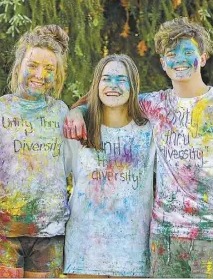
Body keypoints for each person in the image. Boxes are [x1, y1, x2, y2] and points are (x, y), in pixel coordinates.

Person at [63, 17, 213, 277]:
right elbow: (110, 96)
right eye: (171, 54)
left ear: (202, 57)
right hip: (164, 240)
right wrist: (77, 111)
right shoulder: (153, 106)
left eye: (188, 52)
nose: (180, 60)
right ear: (163, 63)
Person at [0, 25, 70, 278]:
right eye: (33, 65)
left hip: (49, 231)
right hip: (2, 230)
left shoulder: (61, 111)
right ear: (19, 66)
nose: (40, 74)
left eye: (49, 69)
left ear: (57, 75)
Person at [63, 54, 155, 277]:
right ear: (97, 84)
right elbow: (55, 177)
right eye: (106, 78)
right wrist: (77, 110)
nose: (113, 85)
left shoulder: (149, 131)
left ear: (133, 86)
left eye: (122, 79)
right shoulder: (78, 130)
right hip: (84, 249)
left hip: (132, 252)